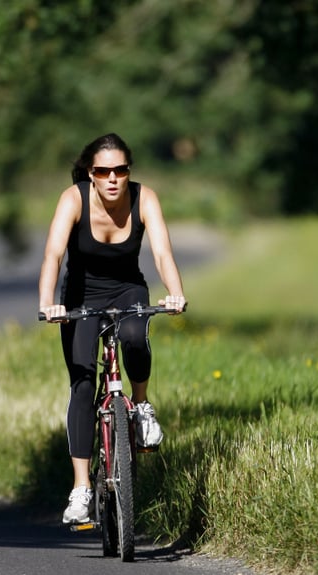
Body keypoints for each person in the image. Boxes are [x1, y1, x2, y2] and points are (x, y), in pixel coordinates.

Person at [38, 133, 187, 525]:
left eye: (120, 170)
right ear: (91, 174)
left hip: (126, 289)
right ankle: (82, 488)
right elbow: (53, 254)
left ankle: (140, 406)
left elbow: (161, 252)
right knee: (84, 384)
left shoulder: (145, 198)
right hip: (81, 296)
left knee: (136, 337)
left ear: (128, 172)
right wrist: (48, 303)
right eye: (103, 171)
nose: (112, 179)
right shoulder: (73, 199)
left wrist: (176, 292)